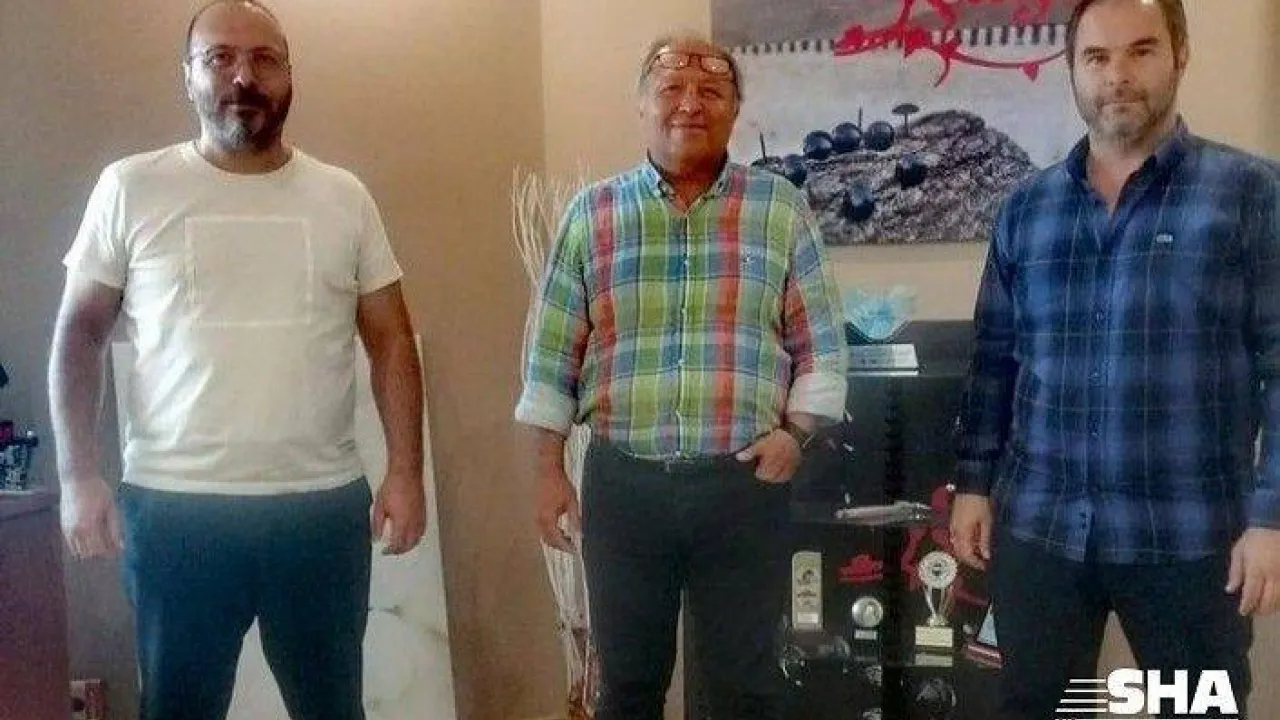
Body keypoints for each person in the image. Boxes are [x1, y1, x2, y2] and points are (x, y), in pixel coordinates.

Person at [47, 2, 426, 718]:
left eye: (264, 58)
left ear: (290, 74)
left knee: (332, 708)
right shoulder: (131, 187)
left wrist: (405, 472)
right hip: (176, 512)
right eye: (219, 58)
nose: (243, 76)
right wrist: (77, 476)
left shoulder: (344, 197)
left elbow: (391, 340)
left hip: (319, 512)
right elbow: (79, 334)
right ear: (188, 75)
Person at [950, 0, 1280, 717]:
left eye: (1141, 50)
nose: (1117, 76)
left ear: (1179, 54)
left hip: (1188, 537)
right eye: (1096, 57)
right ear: (1071, 69)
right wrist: (973, 483)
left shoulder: (1252, 195)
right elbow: (994, 359)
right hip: (1040, 531)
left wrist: (1273, 517)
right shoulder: (1027, 209)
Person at [515, 31, 847, 720]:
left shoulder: (780, 209)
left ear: (735, 110)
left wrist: (796, 435)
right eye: (671, 89)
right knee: (628, 686)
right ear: (642, 104)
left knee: (745, 687)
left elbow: (820, 344)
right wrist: (548, 472)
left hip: (744, 487)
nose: (690, 104)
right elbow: (551, 354)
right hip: (624, 489)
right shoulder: (593, 214)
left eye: (712, 91)